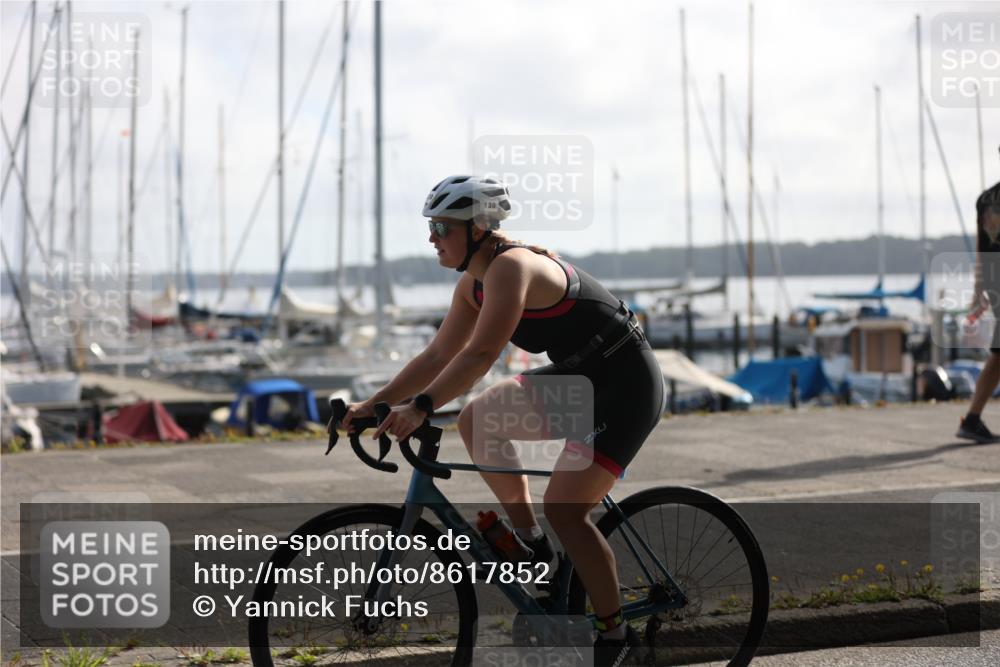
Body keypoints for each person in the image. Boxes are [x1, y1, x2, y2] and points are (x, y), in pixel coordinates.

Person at [340, 175, 665, 664]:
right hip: (582, 378)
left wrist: (422, 406)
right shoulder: (473, 284)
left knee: (566, 509)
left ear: (477, 229)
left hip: (626, 386)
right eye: (431, 225)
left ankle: (616, 637)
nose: (432, 237)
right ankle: (537, 550)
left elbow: (481, 354)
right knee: (478, 420)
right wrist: (372, 405)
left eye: (442, 226)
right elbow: (437, 357)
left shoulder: (512, 267)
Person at [958, 180, 1000, 443]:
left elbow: (982, 250)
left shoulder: (986, 198)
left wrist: (979, 289)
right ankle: (972, 420)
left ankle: (972, 419)